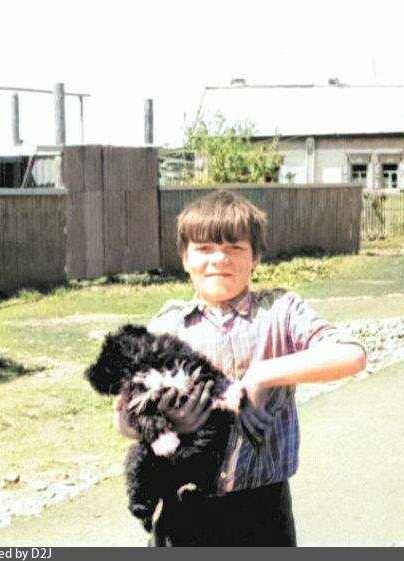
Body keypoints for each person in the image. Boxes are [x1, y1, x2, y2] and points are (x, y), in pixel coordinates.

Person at [115, 189, 367, 546]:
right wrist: (143, 418)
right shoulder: (166, 328)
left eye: (234, 247)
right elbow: (126, 422)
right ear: (185, 258)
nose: (220, 259)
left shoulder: (280, 311)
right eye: (204, 248)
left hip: (263, 512)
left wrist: (263, 374)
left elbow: (351, 355)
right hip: (184, 510)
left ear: (255, 258)